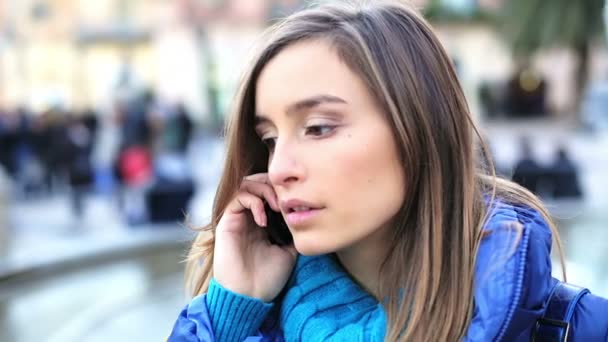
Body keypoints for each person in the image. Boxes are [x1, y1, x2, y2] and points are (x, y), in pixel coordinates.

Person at [169, 1, 608, 341]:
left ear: (418, 129)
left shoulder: (583, 330)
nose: (279, 168)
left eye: (318, 128)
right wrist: (228, 315)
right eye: (269, 139)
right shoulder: (252, 321)